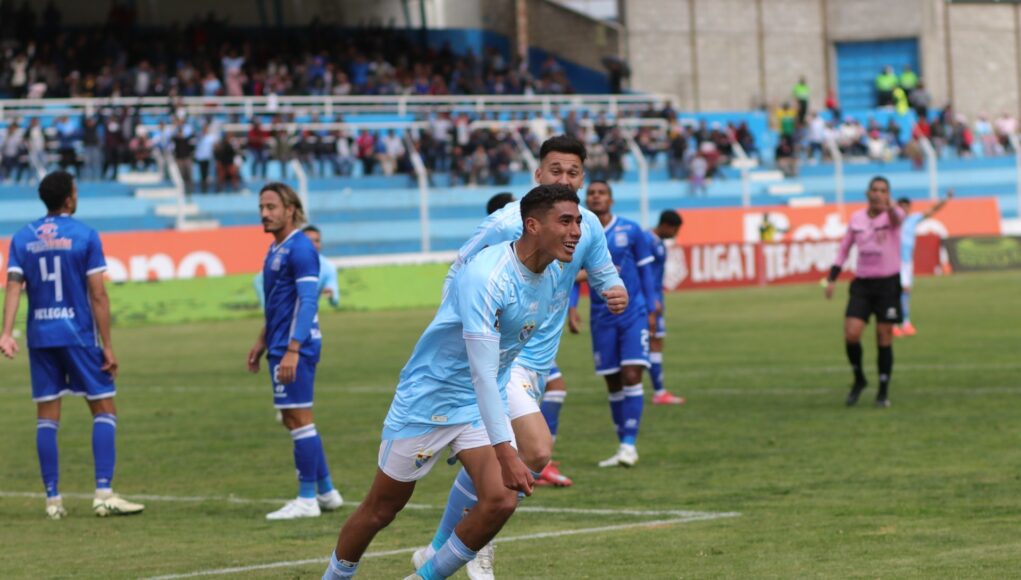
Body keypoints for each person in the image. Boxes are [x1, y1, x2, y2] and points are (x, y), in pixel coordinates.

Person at [322, 184, 583, 580]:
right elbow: (481, 371)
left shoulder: (551, 277)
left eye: (578, 222)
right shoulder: (488, 276)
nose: (576, 231)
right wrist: (507, 453)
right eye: (565, 221)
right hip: (431, 398)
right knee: (382, 509)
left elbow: (500, 364)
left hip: (479, 402)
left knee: (500, 500)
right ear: (532, 225)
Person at [412, 136, 626, 579]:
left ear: (582, 178)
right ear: (538, 174)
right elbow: (459, 269)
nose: (564, 178)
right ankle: (474, 542)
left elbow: (605, 273)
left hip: (540, 363)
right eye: (555, 170)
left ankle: (440, 548)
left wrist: (615, 290)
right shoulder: (506, 223)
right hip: (503, 358)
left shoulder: (585, 226)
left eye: (572, 172)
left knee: (514, 459)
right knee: (536, 449)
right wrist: (462, 330)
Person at [0, 171, 145, 519]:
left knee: (47, 416)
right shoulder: (85, 235)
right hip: (78, 335)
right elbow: (98, 294)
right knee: (104, 408)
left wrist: (6, 332)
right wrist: (107, 345)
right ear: (68, 198)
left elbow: (13, 286)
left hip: (40, 337)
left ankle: (53, 500)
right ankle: (104, 493)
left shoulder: (23, 237)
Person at [246, 183, 343, 520]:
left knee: (299, 419)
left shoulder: (300, 248)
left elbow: (308, 301)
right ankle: (326, 492)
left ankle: (306, 500)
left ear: (290, 209)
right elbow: (278, 304)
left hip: (294, 345)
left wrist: (293, 349)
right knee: (293, 418)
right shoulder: (276, 248)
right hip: (280, 342)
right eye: (262, 207)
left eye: (271, 207)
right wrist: (262, 340)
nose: (264, 213)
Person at [569, 180, 658, 467]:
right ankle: (623, 446)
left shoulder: (631, 230)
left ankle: (629, 444)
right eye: (592, 193)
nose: (596, 197)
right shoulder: (579, 233)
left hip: (633, 313)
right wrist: (572, 307)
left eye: (602, 193)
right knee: (613, 380)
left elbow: (646, 272)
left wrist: (653, 307)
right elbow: (572, 274)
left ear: (611, 199)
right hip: (601, 316)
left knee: (632, 374)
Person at [824, 176, 904, 408]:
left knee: (884, 335)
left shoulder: (893, 215)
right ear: (868, 193)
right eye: (875, 190)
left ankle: (883, 391)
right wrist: (832, 278)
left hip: (888, 284)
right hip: (863, 284)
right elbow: (844, 248)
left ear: (888, 195)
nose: (878, 194)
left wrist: (890, 206)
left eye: (883, 191)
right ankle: (859, 379)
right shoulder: (857, 218)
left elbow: (898, 216)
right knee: (851, 334)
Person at [895, 190, 953, 337]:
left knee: (906, 292)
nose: (904, 209)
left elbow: (932, 210)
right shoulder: (892, 221)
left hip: (907, 262)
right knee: (894, 292)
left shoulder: (912, 220)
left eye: (906, 206)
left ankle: (905, 323)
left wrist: (945, 199)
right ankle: (893, 324)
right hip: (894, 261)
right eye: (901, 206)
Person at [645, 210, 686, 405]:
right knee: (654, 342)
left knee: (655, 342)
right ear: (667, 226)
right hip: (649, 301)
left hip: (655, 298)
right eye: (676, 230)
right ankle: (658, 392)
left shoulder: (657, 242)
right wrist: (652, 300)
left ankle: (656, 390)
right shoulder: (648, 241)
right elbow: (644, 272)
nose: (676, 234)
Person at [253, 224, 340, 310]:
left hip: (308, 313)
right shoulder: (284, 261)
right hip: (282, 313)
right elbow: (258, 280)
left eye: (317, 241)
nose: (313, 244)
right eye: (309, 241)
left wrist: (331, 294)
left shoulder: (328, 267)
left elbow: (335, 299)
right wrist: (267, 307)